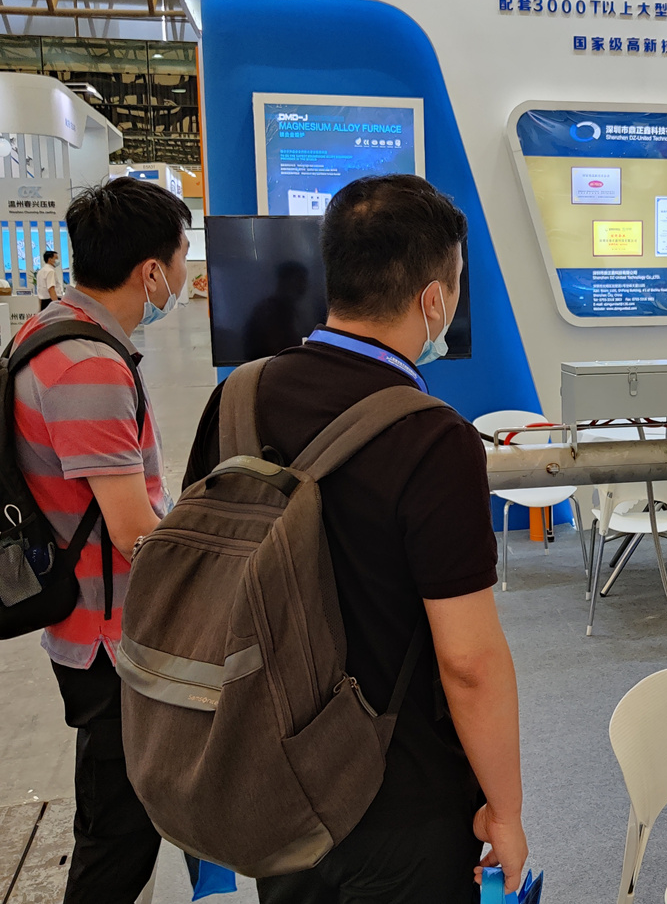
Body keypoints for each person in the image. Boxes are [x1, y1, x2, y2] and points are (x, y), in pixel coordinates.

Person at [185, 174, 526, 904]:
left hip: (272, 777)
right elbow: (468, 661)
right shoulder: (434, 439)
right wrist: (507, 809)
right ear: (432, 300)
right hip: (401, 795)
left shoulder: (235, 398)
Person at [11, 176, 191, 903]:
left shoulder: (51, 329)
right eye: (181, 257)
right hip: (109, 636)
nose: (184, 274)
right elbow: (131, 530)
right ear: (150, 271)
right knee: (119, 835)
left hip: (90, 622)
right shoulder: (87, 366)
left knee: (111, 813)